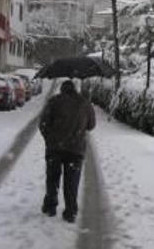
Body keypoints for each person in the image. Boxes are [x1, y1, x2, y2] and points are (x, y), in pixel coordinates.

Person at [38, 80, 96, 222]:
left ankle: (50, 207)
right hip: (75, 151)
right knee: (71, 183)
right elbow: (91, 125)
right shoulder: (84, 103)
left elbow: (43, 123)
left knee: (52, 179)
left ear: (62, 89)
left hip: (55, 149)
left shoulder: (54, 101)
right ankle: (70, 212)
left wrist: (49, 139)